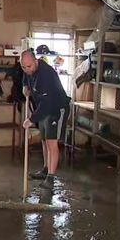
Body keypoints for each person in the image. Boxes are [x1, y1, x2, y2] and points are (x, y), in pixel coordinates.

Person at [21, 49, 70, 189]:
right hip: (43, 109)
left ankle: (51, 178)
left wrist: (31, 119)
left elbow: (47, 103)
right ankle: (45, 169)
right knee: (44, 140)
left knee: (51, 143)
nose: (26, 70)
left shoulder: (46, 75)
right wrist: (25, 86)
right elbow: (26, 78)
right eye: (23, 67)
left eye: (28, 66)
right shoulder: (29, 69)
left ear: (35, 61)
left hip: (56, 108)